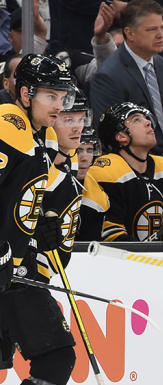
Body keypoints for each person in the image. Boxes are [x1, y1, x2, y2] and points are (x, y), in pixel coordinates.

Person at [0, 54, 77, 385]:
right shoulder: (9, 120)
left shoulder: (38, 136)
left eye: (61, 95)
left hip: (15, 272)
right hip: (8, 270)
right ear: (25, 93)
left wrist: (41, 227)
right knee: (56, 355)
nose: (58, 104)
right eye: (50, 95)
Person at [90, 0, 163, 169]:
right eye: (152, 29)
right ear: (130, 33)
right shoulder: (108, 76)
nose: (160, 35)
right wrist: (151, 170)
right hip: (135, 174)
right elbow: (110, 138)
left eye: (161, 27)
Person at [78, 102, 163, 241]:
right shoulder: (105, 172)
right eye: (136, 120)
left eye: (146, 118)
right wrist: (145, 258)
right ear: (121, 136)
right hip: (117, 260)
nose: (148, 122)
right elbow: (111, 237)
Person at [35, 90, 90, 281]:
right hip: (24, 275)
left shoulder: (72, 156)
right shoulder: (33, 164)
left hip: (54, 275)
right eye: (68, 120)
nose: (78, 128)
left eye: (81, 119)